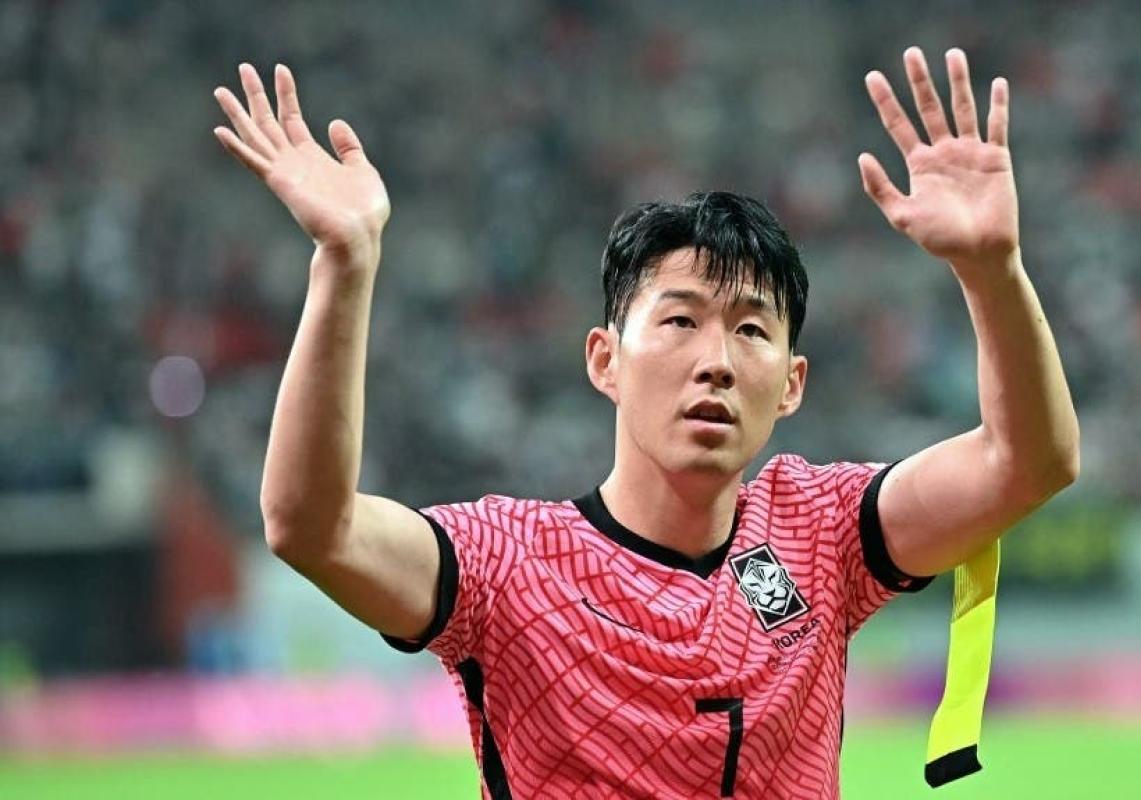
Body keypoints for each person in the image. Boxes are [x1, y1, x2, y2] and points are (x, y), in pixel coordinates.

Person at [212, 45, 1077, 799]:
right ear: (604, 360)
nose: (716, 359)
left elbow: (1027, 463)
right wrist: (344, 262)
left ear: (791, 384)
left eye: (751, 330)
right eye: (679, 320)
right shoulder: (504, 567)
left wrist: (992, 271)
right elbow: (310, 528)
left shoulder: (822, 536)